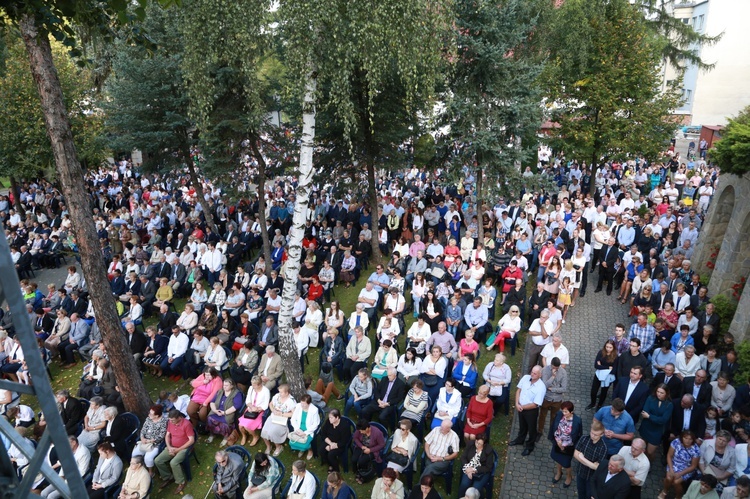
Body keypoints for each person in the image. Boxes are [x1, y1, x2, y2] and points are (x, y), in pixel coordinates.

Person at [154, 409, 195, 495]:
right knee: (157, 460)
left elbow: (191, 440)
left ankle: (181, 482)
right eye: (170, 419)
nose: (170, 421)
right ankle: (169, 477)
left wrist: (177, 450)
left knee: (173, 463)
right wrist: (169, 447)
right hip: (172, 447)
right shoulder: (170, 422)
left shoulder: (186, 424)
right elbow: (167, 435)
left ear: (179, 418)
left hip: (183, 448)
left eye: (172, 420)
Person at [509, 365, 546, 456]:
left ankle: (530, 446)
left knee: (531, 429)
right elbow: (518, 390)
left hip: (531, 411)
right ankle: (520, 440)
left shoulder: (541, 387)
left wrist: (522, 407)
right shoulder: (526, 378)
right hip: (520, 407)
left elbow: (535, 404)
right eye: (532, 372)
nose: (532, 374)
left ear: (540, 375)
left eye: (535, 373)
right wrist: (517, 403)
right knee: (522, 425)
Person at [548, 401, 582, 489]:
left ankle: (568, 476)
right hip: (557, 442)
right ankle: (559, 473)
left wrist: (565, 445)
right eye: (563, 411)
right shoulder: (559, 415)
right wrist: (558, 441)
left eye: (566, 411)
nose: (563, 413)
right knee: (558, 459)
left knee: (566, 464)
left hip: (568, 446)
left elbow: (578, 435)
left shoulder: (577, 421)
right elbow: (554, 427)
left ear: (571, 412)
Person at [660, 430, 702, 499]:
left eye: (690, 439)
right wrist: (671, 469)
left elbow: (693, 466)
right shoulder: (676, 442)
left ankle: (678, 496)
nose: (687, 441)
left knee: (676, 482)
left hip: (686, 468)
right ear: (682, 437)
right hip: (674, 464)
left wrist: (680, 473)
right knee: (668, 478)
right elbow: (669, 456)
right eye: (685, 438)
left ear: (693, 440)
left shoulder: (696, 450)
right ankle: (664, 491)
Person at [131, 404, 168, 476]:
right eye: (149, 413)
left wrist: (149, 441)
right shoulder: (148, 419)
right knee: (134, 454)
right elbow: (143, 430)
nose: (149, 414)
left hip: (155, 444)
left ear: (157, 416)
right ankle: (141, 468)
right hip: (144, 441)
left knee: (148, 458)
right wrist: (142, 438)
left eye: (151, 414)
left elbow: (161, 436)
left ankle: (150, 472)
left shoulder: (163, 422)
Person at [640, 383, 674, 461]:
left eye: (661, 393)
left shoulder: (669, 405)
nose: (659, 394)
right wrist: (656, 418)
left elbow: (663, 420)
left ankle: (649, 464)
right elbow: (645, 411)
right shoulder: (650, 398)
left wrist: (649, 416)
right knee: (643, 448)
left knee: (650, 452)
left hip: (657, 431)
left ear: (666, 393)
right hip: (646, 427)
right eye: (658, 391)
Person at [261, 384, 297, 456]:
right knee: (264, 431)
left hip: (282, 419)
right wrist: (273, 410)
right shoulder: (277, 396)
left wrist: (282, 414)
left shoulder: (291, 401)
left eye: (281, 392)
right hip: (273, 416)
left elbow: (293, 414)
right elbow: (270, 404)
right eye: (279, 391)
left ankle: (279, 447)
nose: (279, 393)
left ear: (286, 393)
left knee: (272, 432)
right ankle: (268, 446)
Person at [574, 422, 608, 499]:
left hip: (592, 478)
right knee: (580, 492)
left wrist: (582, 458)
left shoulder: (603, 448)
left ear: (602, 434)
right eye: (591, 433)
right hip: (580, 472)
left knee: (589, 495)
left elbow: (597, 467)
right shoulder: (584, 438)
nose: (592, 436)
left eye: (595, 434)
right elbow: (575, 453)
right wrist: (591, 464)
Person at [206, 379, 244, 446]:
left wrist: (224, 412)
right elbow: (212, 402)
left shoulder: (236, 393)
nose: (224, 387)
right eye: (224, 385)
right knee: (210, 418)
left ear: (232, 386)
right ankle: (212, 434)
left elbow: (237, 406)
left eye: (226, 385)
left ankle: (225, 437)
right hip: (217, 411)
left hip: (227, 412)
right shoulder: (220, 391)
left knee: (225, 423)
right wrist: (215, 410)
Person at [237, 375, 271, 447]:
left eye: (254, 384)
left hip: (259, 411)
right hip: (250, 409)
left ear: (259, 384)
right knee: (240, 426)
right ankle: (244, 435)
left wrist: (257, 409)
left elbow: (265, 405)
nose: (252, 386)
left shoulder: (265, 391)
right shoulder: (251, 388)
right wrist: (251, 407)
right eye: (252, 384)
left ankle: (255, 436)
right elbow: (248, 400)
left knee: (247, 427)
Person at [457, 433, 494, 498]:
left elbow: (488, 467)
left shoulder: (488, 450)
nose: (477, 444)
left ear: (484, 444)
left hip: (482, 472)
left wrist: (474, 470)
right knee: (464, 484)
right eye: (476, 442)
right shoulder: (470, 444)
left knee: (476, 487)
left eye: (479, 444)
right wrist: (468, 469)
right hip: (469, 467)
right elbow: (463, 457)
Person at [352, 419, 386, 484]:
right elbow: (355, 437)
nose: (361, 432)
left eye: (362, 431)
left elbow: (382, 444)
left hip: (372, 449)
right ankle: (357, 472)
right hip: (362, 446)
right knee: (354, 459)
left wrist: (370, 450)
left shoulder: (377, 433)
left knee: (362, 461)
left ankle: (364, 475)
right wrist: (361, 446)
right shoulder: (359, 429)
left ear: (367, 428)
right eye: (360, 431)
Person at [288, 394, 321, 460]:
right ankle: (301, 450)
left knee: (305, 445)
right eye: (301, 403)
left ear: (309, 404)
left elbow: (315, 424)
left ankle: (310, 450)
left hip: (308, 430)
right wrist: (297, 429)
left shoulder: (314, 410)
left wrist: (305, 433)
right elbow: (293, 419)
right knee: (291, 442)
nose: (302, 405)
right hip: (298, 428)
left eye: (304, 404)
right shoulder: (298, 406)